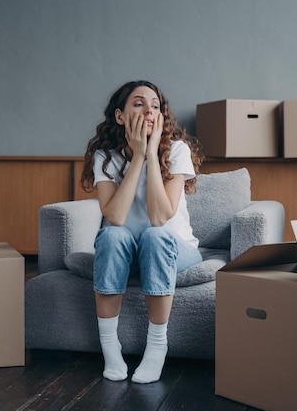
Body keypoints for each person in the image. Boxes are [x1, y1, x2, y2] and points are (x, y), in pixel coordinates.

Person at [80, 80, 204, 383]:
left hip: (173, 248)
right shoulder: (106, 156)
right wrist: (136, 156)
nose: (149, 109)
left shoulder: (176, 150)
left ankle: (157, 346)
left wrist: (151, 154)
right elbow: (116, 216)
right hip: (126, 248)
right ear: (121, 116)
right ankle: (110, 348)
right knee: (111, 234)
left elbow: (160, 217)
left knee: (154, 235)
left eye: (155, 105)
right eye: (138, 103)